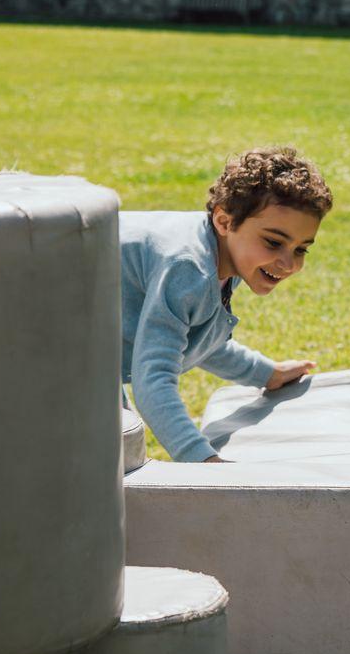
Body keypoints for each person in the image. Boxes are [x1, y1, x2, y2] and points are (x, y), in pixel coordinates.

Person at [121, 147, 331, 462]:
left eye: (301, 249)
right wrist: (204, 461)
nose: (288, 263)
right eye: (273, 242)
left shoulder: (222, 255)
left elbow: (197, 337)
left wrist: (265, 373)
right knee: (100, 460)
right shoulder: (189, 269)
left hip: (81, 348)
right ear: (224, 221)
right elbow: (153, 380)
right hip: (43, 335)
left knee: (112, 458)